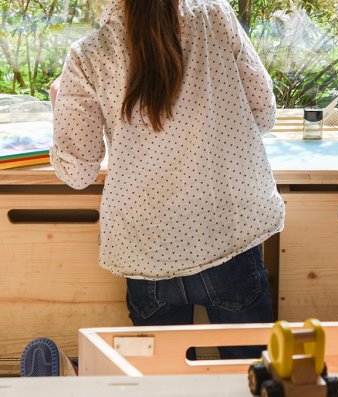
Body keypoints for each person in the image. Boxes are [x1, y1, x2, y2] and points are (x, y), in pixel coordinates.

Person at [47, 0, 285, 362]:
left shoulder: (89, 55)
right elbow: (264, 114)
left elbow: (78, 173)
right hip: (228, 231)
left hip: (147, 248)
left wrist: (58, 100)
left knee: (159, 379)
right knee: (252, 374)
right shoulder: (216, 16)